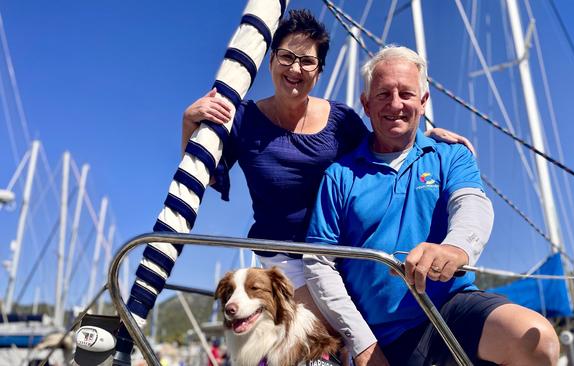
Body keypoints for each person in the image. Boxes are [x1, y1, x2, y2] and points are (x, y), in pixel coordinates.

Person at [116, 8, 473, 363]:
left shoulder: (341, 121)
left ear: (318, 72)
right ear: (271, 60)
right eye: (286, 56)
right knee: (321, 350)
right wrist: (187, 126)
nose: (295, 69)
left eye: (307, 61)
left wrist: (427, 139)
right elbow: (205, 176)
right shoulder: (244, 120)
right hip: (285, 264)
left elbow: (383, 147)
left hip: (341, 258)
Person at [303, 45, 560, 366]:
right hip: (374, 331)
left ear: (423, 102)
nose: (396, 104)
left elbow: (472, 204)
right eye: (383, 94)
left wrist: (456, 248)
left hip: (450, 307)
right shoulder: (339, 175)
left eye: (406, 94)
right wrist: (361, 342)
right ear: (366, 105)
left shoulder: (451, 155)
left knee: (535, 340)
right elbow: (318, 262)